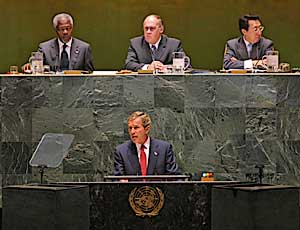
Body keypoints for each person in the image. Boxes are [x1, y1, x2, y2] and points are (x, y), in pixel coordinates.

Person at [22, 13, 94, 72]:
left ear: (72, 28)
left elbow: (90, 74)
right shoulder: (45, 48)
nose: (65, 32)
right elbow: (36, 62)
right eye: (62, 29)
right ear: (56, 29)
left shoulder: (84, 48)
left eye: (68, 28)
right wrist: (30, 65)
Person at [114, 111, 180, 175]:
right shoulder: (121, 151)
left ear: (147, 129)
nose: (132, 132)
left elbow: (174, 178)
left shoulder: (164, 149)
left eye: (136, 127)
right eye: (130, 128)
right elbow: (117, 181)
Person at [124, 14, 190, 71]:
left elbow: (186, 64)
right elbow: (129, 64)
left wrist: (166, 68)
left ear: (161, 29)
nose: (148, 32)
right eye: (146, 28)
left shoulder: (174, 44)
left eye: (152, 28)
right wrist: (147, 67)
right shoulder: (135, 44)